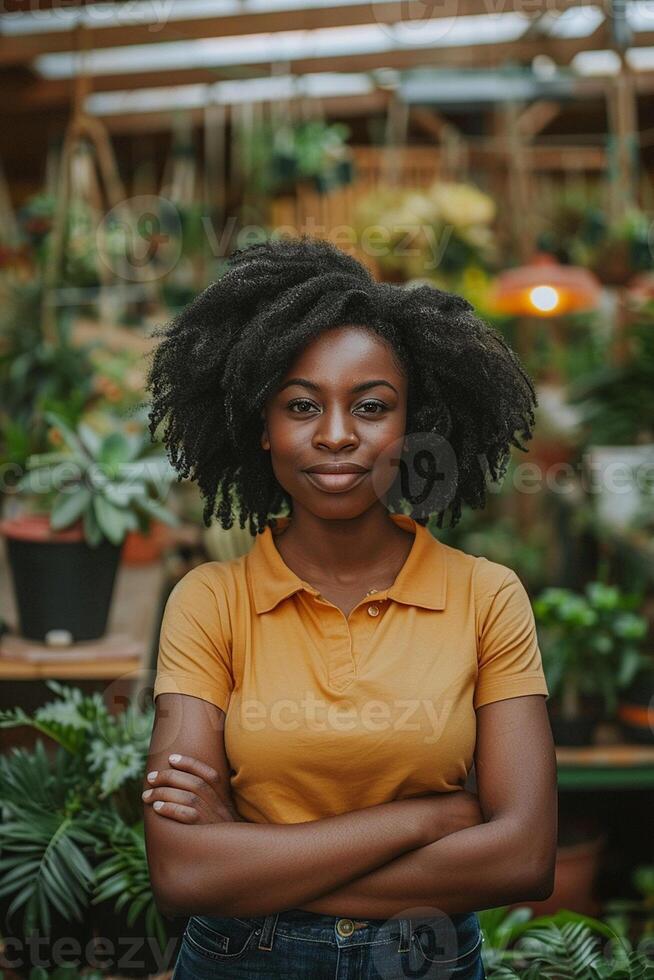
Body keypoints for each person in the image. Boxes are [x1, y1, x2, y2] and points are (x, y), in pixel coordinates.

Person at [142, 235, 557, 979]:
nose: (336, 435)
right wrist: (429, 818)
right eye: (301, 405)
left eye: (371, 406)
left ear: (413, 427)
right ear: (262, 427)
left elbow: (524, 857)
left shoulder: (485, 596)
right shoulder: (210, 602)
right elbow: (182, 874)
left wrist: (249, 860)